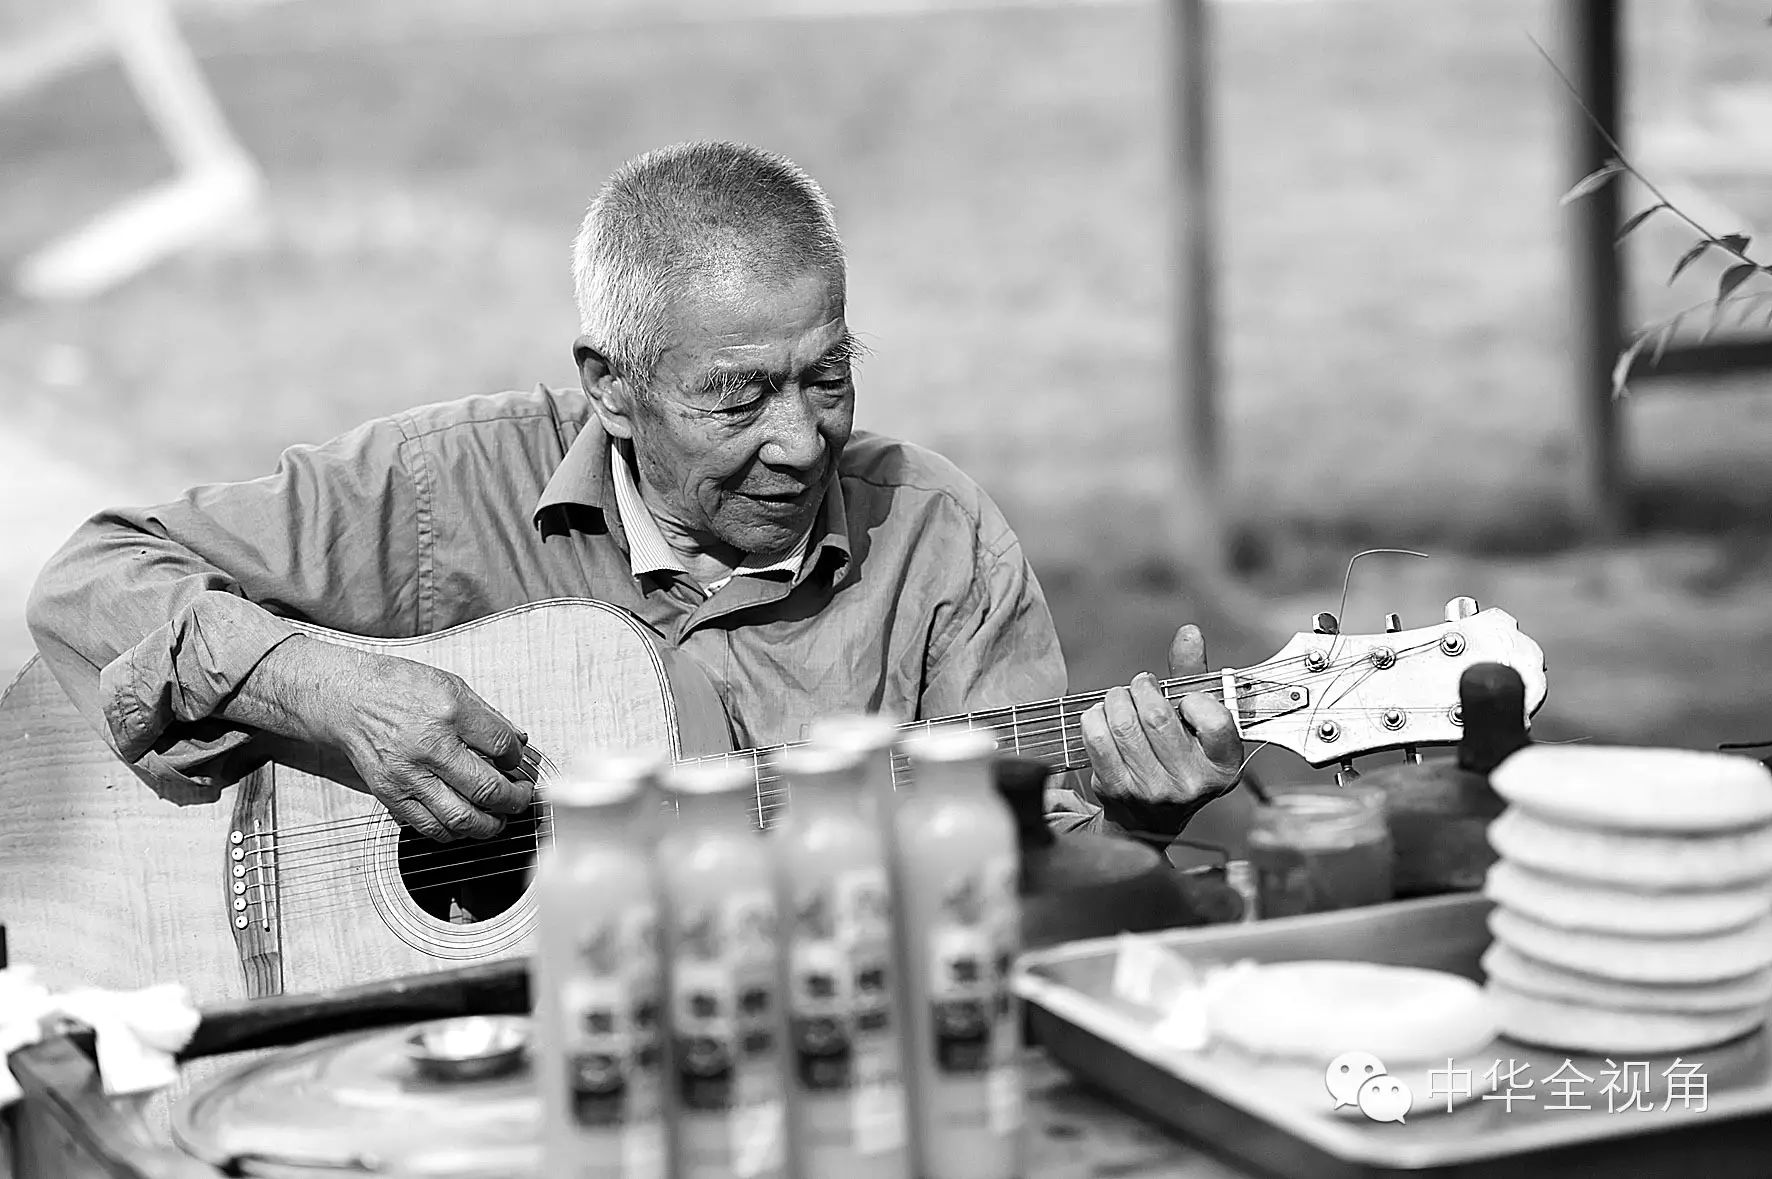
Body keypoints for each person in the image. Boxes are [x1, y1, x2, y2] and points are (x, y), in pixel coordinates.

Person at [25, 140, 1244, 850]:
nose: (798, 442)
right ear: (609, 386)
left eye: (828, 377)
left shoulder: (938, 543)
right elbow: (95, 573)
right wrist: (331, 685)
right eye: (736, 397)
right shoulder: (445, 489)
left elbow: (1019, 877)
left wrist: (1135, 819)